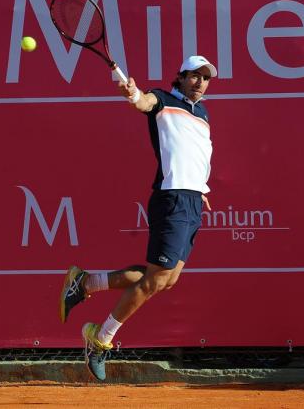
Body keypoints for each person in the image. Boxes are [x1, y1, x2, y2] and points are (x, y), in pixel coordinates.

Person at [59, 55, 217, 381]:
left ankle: (86, 282)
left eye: (206, 78)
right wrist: (133, 93)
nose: (200, 82)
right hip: (171, 198)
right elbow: (143, 103)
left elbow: (194, 154)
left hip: (191, 200)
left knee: (167, 279)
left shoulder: (202, 113)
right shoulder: (162, 99)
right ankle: (100, 339)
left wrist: (199, 187)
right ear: (182, 76)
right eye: (195, 76)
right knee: (156, 279)